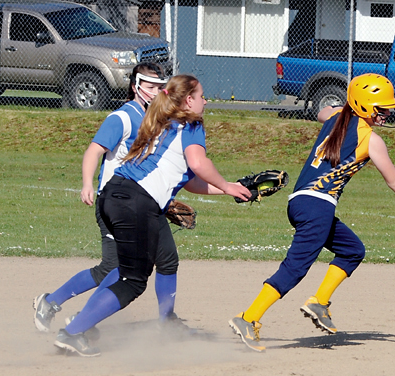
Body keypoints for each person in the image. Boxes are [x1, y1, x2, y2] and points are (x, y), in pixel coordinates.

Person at [228, 73, 395, 352]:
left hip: (301, 203)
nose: (386, 113)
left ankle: (319, 301)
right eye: (381, 108)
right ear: (363, 106)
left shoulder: (337, 116)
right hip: (318, 206)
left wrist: (342, 108)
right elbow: (394, 179)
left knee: (353, 250)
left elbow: (323, 110)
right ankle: (248, 317)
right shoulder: (371, 140)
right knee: (295, 268)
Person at [52, 74, 251, 356]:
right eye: (202, 96)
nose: (205, 102)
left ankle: (95, 323)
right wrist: (227, 184)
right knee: (133, 281)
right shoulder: (191, 123)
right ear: (188, 100)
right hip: (136, 203)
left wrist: (229, 190)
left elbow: (188, 178)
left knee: (141, 263)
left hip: (115, 194)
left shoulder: (161, 121)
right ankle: (72, 332)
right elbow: (198, 162)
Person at [34, 62, 188, 335]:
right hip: (115, 202)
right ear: (135, 87)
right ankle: (54, 305)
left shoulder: (158, 121)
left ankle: (166, 322)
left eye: (159, 86)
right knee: (113, 267)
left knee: (163, 260)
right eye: (150, 86)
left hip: (140, 204)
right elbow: (93, 151)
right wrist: (86, 185)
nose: (157, 92)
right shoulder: (123, 117)